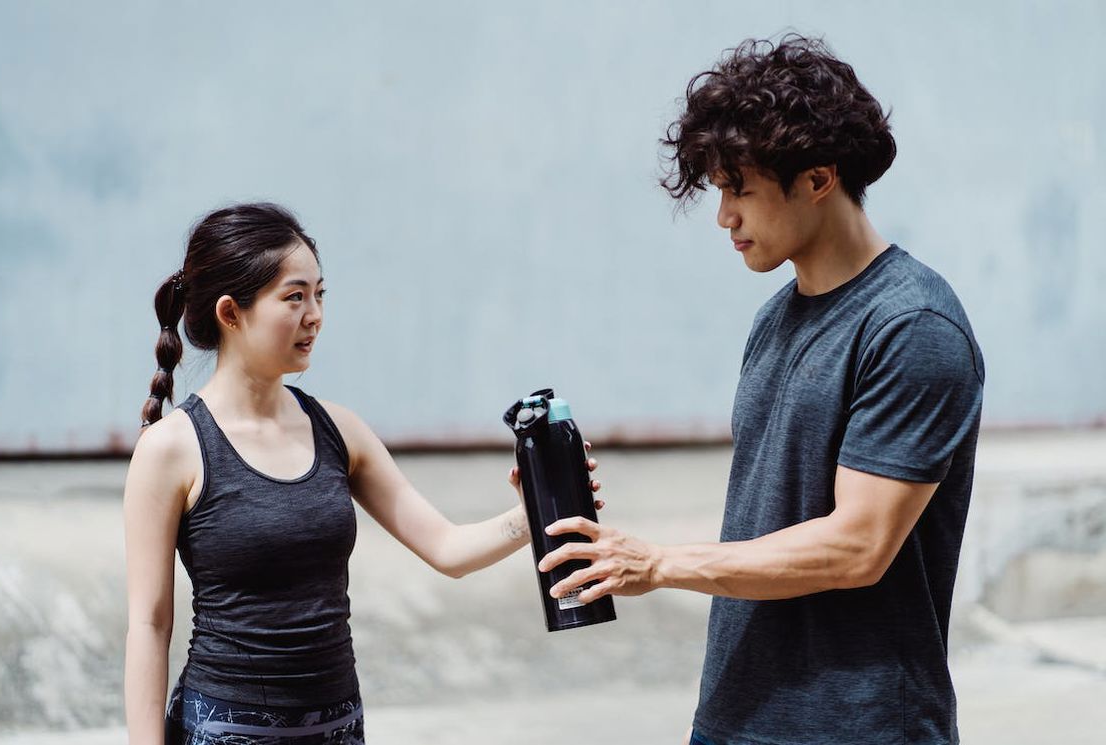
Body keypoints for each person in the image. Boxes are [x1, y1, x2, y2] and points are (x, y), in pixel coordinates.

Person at [537, 35, 984, 744]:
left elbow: (859, 545)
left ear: (818, 179)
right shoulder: (774, 317)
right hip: (736, 713)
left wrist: (658, 563)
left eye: (739, 188)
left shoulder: (913, 325)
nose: (724, 217)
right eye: (719, 190)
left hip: (859, 725)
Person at [122, 202, 600, 744]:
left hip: (340, 730)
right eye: (294, 296)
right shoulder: (171, 449)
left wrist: (536, 509)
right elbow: (149, 624)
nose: (315, 315)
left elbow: (448, 548)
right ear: (232, 313)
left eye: (320, 294)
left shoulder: (338, 431)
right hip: (223, 730)